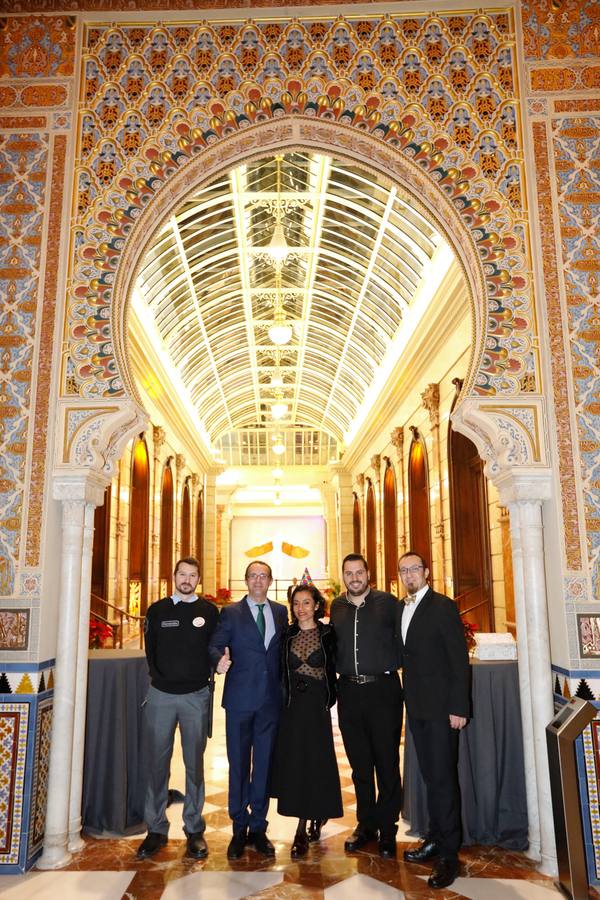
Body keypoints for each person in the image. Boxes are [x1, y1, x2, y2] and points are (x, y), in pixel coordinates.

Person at [137, 556, 218, 860]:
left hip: (195, 697)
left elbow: (214, 648)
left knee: (194, 764)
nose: (187, 579)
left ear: (199, 579)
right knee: (157, 765)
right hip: (161, 696)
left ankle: (194, 829)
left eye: (192, 575)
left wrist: (218, 663)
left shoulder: (209, 611)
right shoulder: (157, 610)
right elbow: (151, 649)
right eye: (182, 574)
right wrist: (162, 678)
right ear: (174, 576)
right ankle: (156, 828)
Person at [398, 551, 470, 890]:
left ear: (426, 572)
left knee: (443, 780)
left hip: (442, 710)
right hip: (417, 708)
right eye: (404, 570)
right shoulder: (402, 607)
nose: (409, 575)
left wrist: (459, 707)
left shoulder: (442, 606)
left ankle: (449, 856)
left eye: (414, 569)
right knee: (430, 777)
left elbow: (458, 659)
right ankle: (436, 838)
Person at [209, 560, 288, 859]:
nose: (258, 580)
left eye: (263, 576)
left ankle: (258, 827)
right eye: (253, 576)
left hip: (270, 703)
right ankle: (239, 826)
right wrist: (218, 661)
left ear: (270, 581)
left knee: (264, 766)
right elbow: (214, 645)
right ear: (246, 580)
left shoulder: (280, 612)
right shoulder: (231, 613)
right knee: (239, 765)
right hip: (240, 702)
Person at [329, 553, 403, 859]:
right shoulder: (336, 607)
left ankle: (388, 828)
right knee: (359, 764)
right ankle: (366, 824)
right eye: (349, 573)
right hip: (349, 691)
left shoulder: (389, 603)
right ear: (343, 576)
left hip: (383, 690)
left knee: (386, 762)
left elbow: (405, 641)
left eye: (359, 572)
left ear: (368, 573)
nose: (354, 578)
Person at [271, 584, 343, 858]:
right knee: (298, 763)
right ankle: (301, 828)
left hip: (317, 707)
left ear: (316, 606)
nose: (301, 608)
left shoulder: (328, 634)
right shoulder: (286, 635)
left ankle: (317, 814)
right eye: (296, 603)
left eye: (306, 603)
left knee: (317, 762)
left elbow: (339, 666)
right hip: (292, 708)